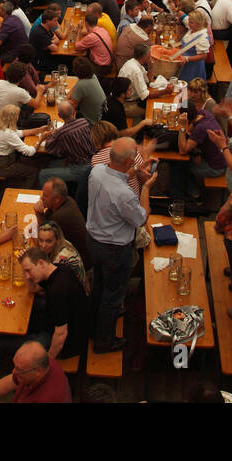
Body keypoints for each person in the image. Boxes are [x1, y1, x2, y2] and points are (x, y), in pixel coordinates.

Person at [86, 138, 156, 353]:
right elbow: (141, 219)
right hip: (114, 249)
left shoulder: (97, 171)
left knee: (99, 285)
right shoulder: (124, 194)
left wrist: (135, 169)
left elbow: (118, 178)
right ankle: (104, 341)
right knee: (113, 295)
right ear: (127, 161)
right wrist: (146, 186)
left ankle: (93, 327)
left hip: (93, 241)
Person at [0, 339, 72, 404]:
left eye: (19, 369)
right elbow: (11, 381)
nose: (14, 371)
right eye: (14, 366)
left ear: (38, 371)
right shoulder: (45, 363)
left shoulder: (48, 398)